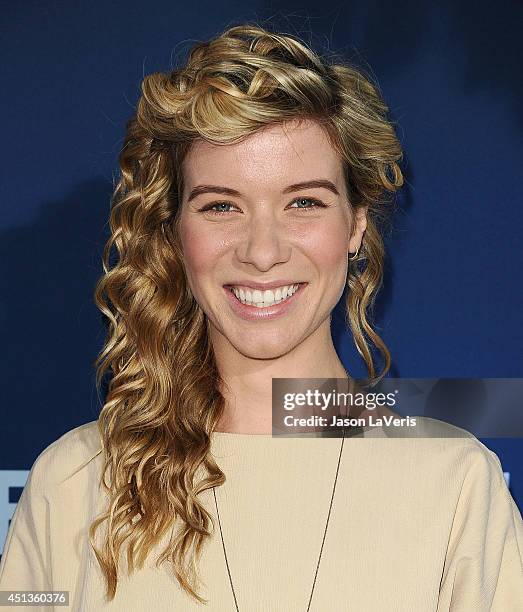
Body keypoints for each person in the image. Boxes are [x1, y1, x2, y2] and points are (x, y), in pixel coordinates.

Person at [1, 22, 522, 611]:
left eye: (303, 202)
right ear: (174, 231)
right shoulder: (75, 483)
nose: (262, 250)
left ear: (356, 223)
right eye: (221, 205)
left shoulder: (455, 483)